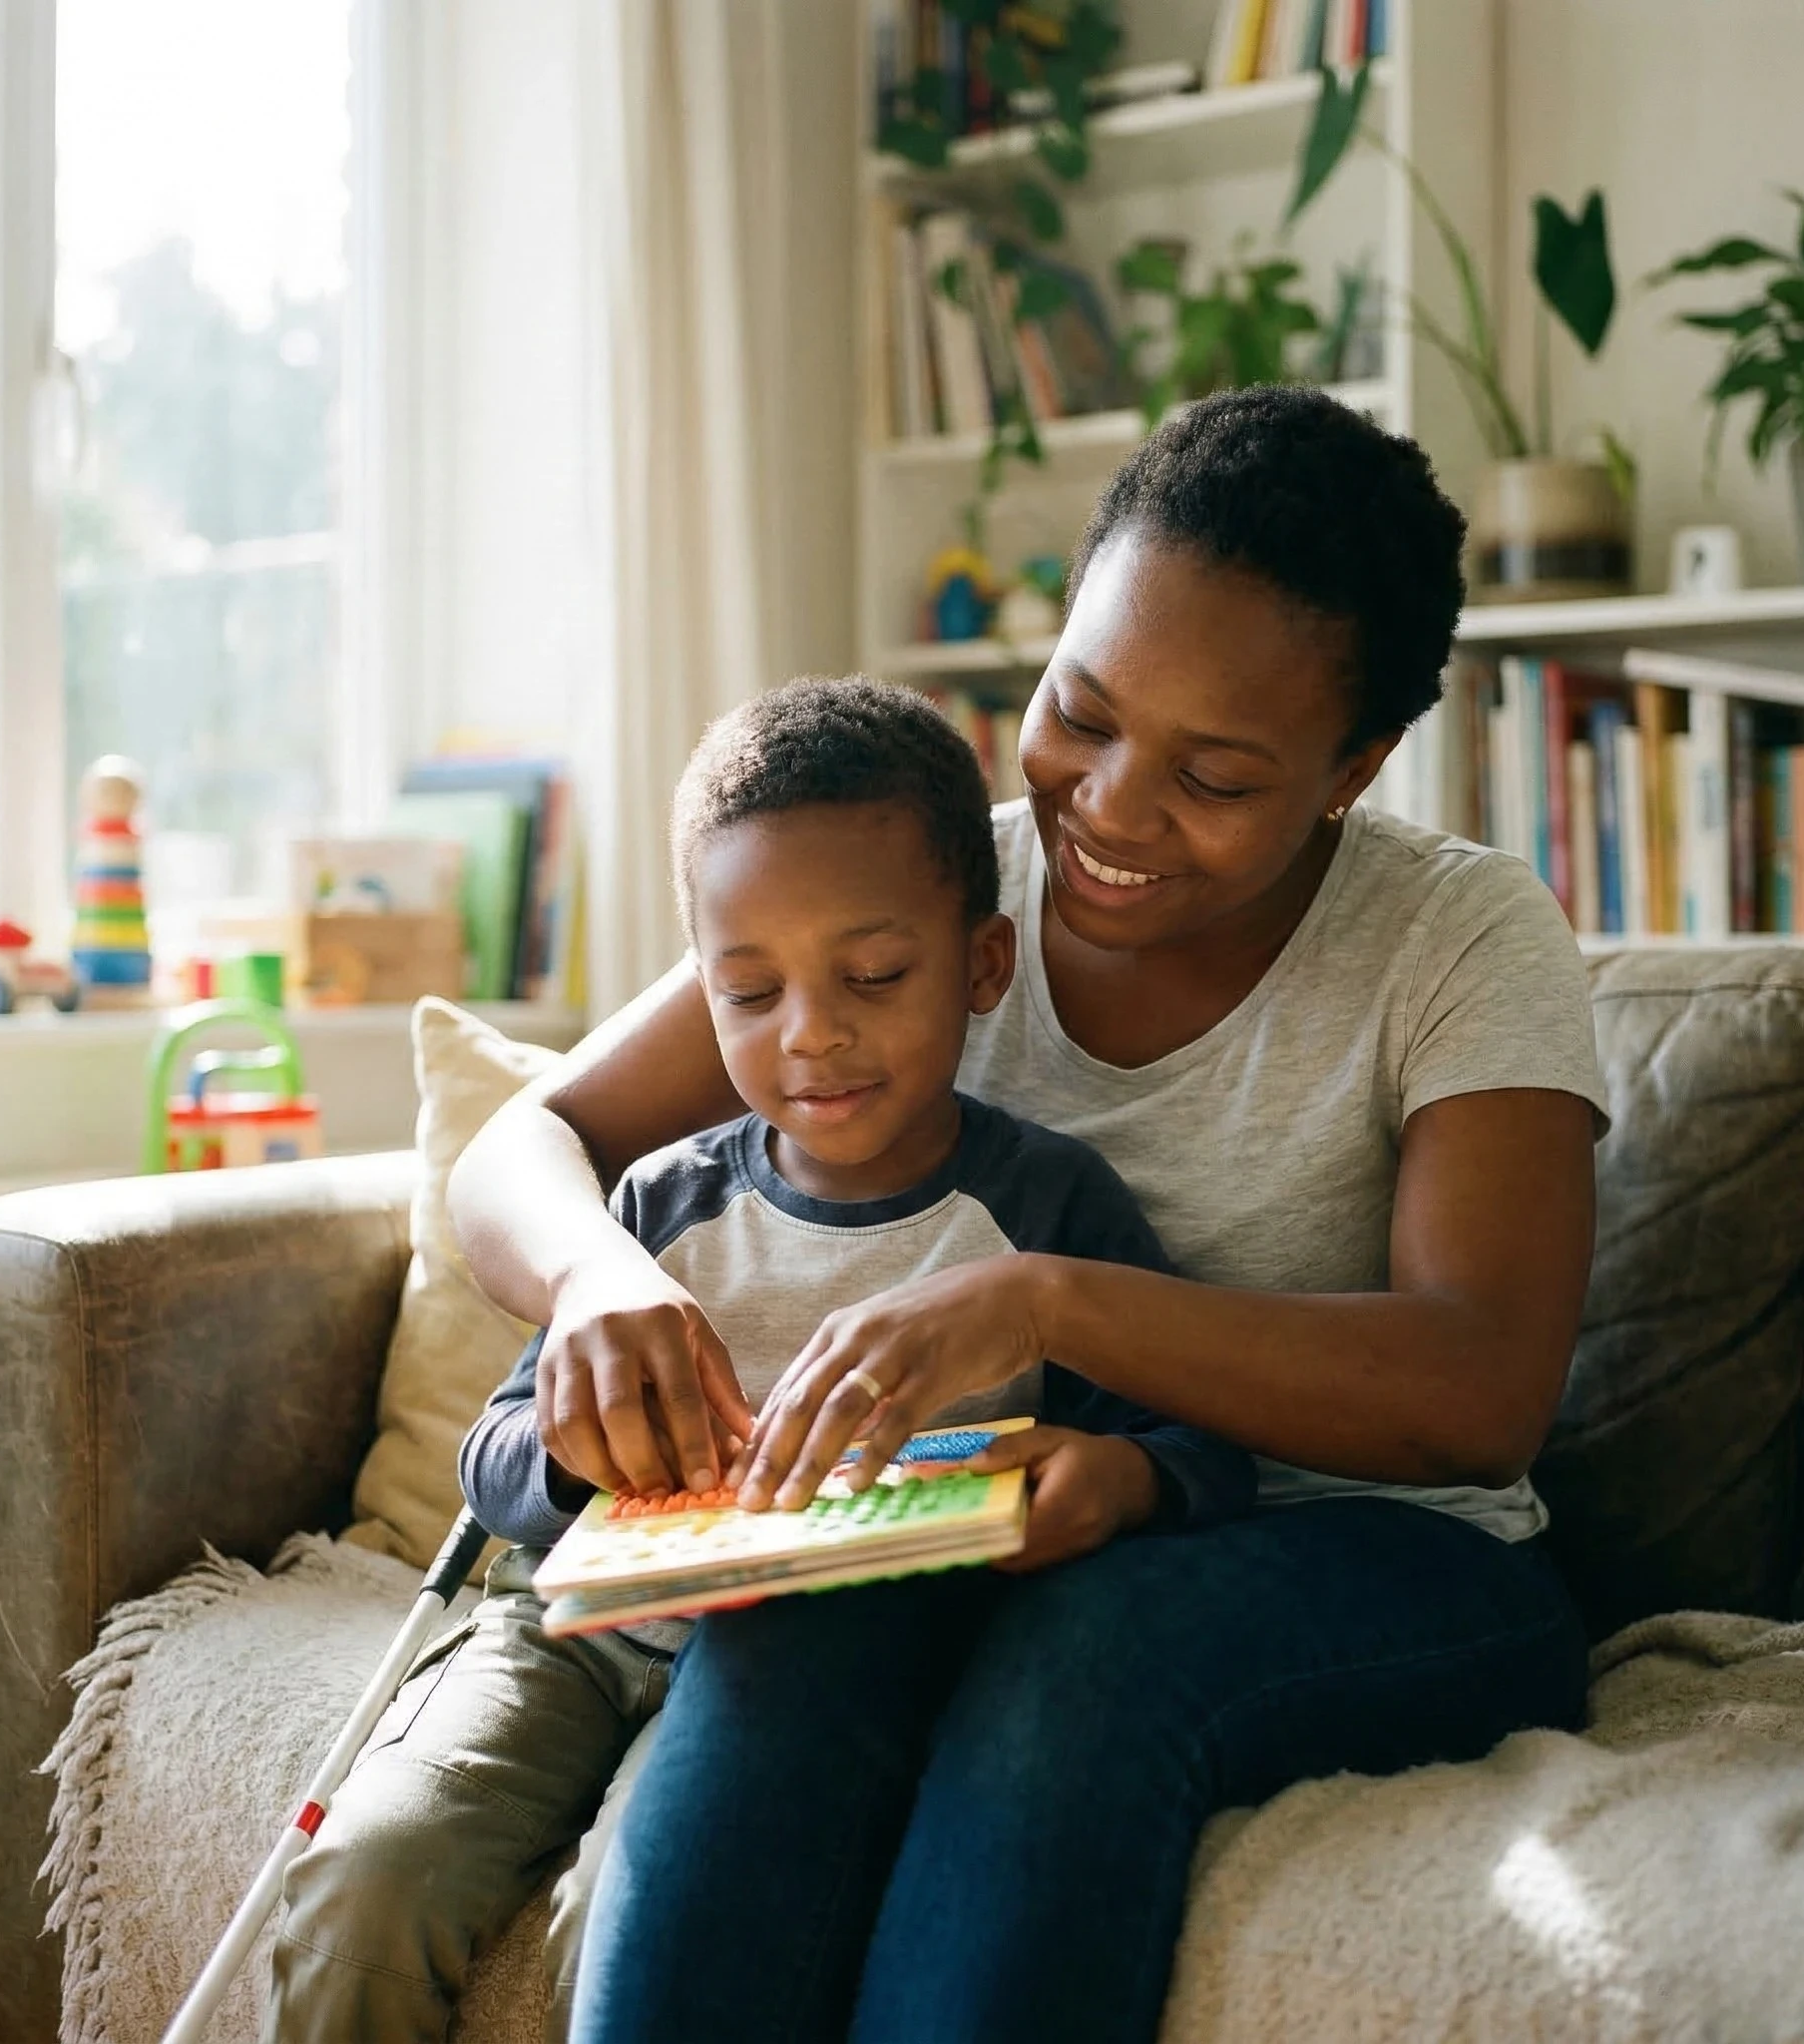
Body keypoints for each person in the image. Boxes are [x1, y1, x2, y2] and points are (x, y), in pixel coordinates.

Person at [449, 387, 1609, 2044]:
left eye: (1214, 774)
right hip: (983, 1524)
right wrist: (588, 1279)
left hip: (1385, 1559)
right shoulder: (926, 900)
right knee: (788, 1639)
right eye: (1082, 710)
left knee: (1087, 1659)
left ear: (1353, 769)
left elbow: (1479, 1391)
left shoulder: (1461, 937)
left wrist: (1048, 1305)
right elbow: (520, 1146)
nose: (1115, 811)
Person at [263, 680, 1252, 2043]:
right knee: (363, 1879)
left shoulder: (1046, 1215)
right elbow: (491, 1464)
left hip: (802, 1686)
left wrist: (1117, 1483)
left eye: (874, 977)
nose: (811, 1034)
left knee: (641, 1908)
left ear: (981, 966)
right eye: (749, 990)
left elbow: (1194, 1446)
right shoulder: (661, 1205)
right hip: (567, 1642)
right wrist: (566, 1442)